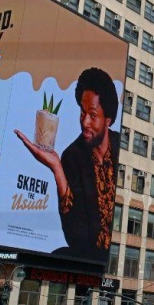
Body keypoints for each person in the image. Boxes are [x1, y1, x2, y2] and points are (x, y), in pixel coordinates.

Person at [16, 68, 121, 260]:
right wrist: (57, 169)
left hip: (121, 256)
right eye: (82, 112)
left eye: (93, 115)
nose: (85, 122)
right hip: (93, 260)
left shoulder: (121, 146)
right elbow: (76, 239)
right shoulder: (73, 157)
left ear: (108, 120)